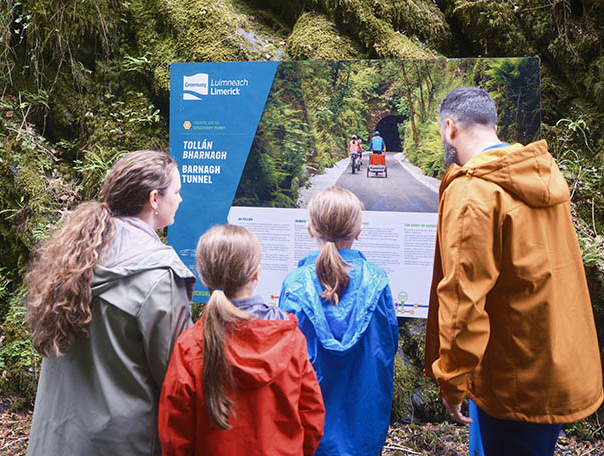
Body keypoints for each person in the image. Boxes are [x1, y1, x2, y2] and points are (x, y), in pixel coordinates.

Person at [423, 86, 604, 456]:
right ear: (492, 124)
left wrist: (452, 380)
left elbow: (462, 299)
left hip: (513, 375)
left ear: (451, 128)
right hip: (554, 361)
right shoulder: (539, 172)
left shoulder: (473, 192)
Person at [25, 150, 194, 456]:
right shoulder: (159, 277)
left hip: (56, 440)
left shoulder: (74, 257)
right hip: (121, 445)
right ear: (154, 199)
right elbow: (178, 379)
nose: (180, 199)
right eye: (177, 192)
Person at [159, 224, 325, 456]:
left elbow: (175, 432)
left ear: (203, 276)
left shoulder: (191, 345)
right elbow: (311, 416)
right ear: (256, 274)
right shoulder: (290, 339)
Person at [279, 187, 398, 456]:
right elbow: (388, 344)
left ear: (309, 229)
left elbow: (284, 353)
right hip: (364, 422)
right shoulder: (377, 280)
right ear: (358, 231)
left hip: (311, 424)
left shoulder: (295, 284)